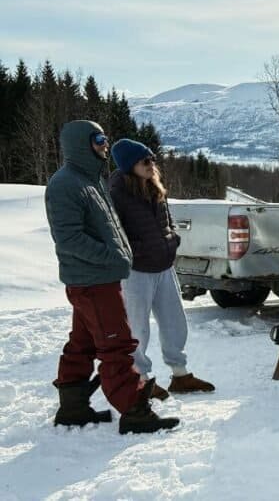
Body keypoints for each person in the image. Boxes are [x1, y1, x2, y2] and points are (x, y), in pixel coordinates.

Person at [44, 120, 179, 434]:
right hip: (92, 280)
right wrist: (114, 258)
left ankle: (73, 407)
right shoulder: (65, 184)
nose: (106, 144)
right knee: (117, 344)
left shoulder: (90, 180)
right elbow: (69, 239)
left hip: (96, 279)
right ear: (82, 142)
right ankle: (134, 411)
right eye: (99, 138)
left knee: (83, 343)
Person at [109, 139, 215, 400]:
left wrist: (171, 241)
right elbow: (114, 233)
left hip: (164, 266)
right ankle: (141, 380)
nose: (151, 165)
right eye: (145, 161)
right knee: (138, 328)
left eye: (152, 159)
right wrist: (138, 250)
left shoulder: (154, 188)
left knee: (174, 323)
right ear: (129, 165)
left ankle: (180, 375)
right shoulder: (117, 194)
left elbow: (166, 222)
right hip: (137, 271)